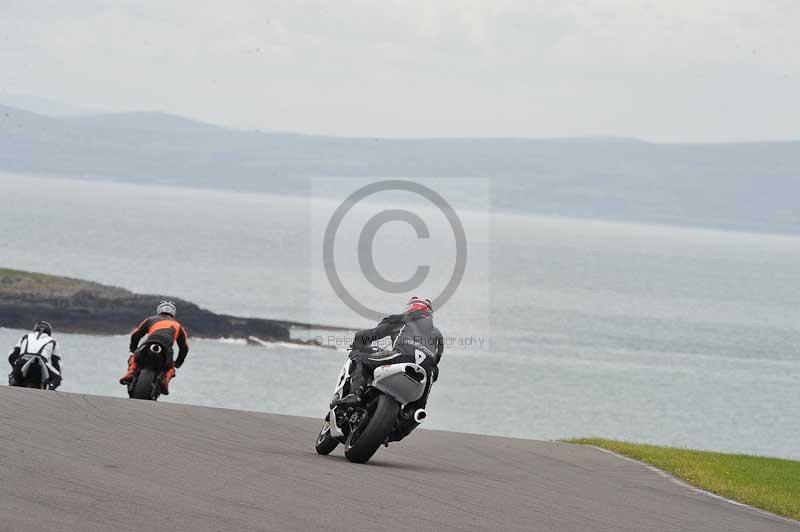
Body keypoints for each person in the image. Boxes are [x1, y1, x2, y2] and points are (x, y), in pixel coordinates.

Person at [334, 296, 444, 414]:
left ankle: (355, 394)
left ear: (411, 307)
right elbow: (437, 358)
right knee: (417, 410)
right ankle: (409, 417)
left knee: (359, 358)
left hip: (400, 357)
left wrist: (358, 342)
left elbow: (372, 334)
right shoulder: (438, 334)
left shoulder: (402, 319)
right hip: (427, 372)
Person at [120, 301, 189, 395]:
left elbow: (136, 334)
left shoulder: (150, 320)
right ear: (173, 313)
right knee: (170, 367)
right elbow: (184, 348)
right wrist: (178, 363)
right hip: (166, 350)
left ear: (159, 310)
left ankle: (131, 372)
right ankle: (165, 380)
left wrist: (133, 349)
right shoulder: (178, 326)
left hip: (148, 344)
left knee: (134, 358)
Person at [8, 321, 62, 390]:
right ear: (49, 332)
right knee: (57, 378)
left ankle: (13, 378)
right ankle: (49, 390)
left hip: (22, 362)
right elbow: (57, 363)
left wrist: (14, 367)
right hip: (40, 363)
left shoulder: (26, 336)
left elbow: (11, 356)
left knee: (14, 374)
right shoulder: (52, 341)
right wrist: (55, 377)